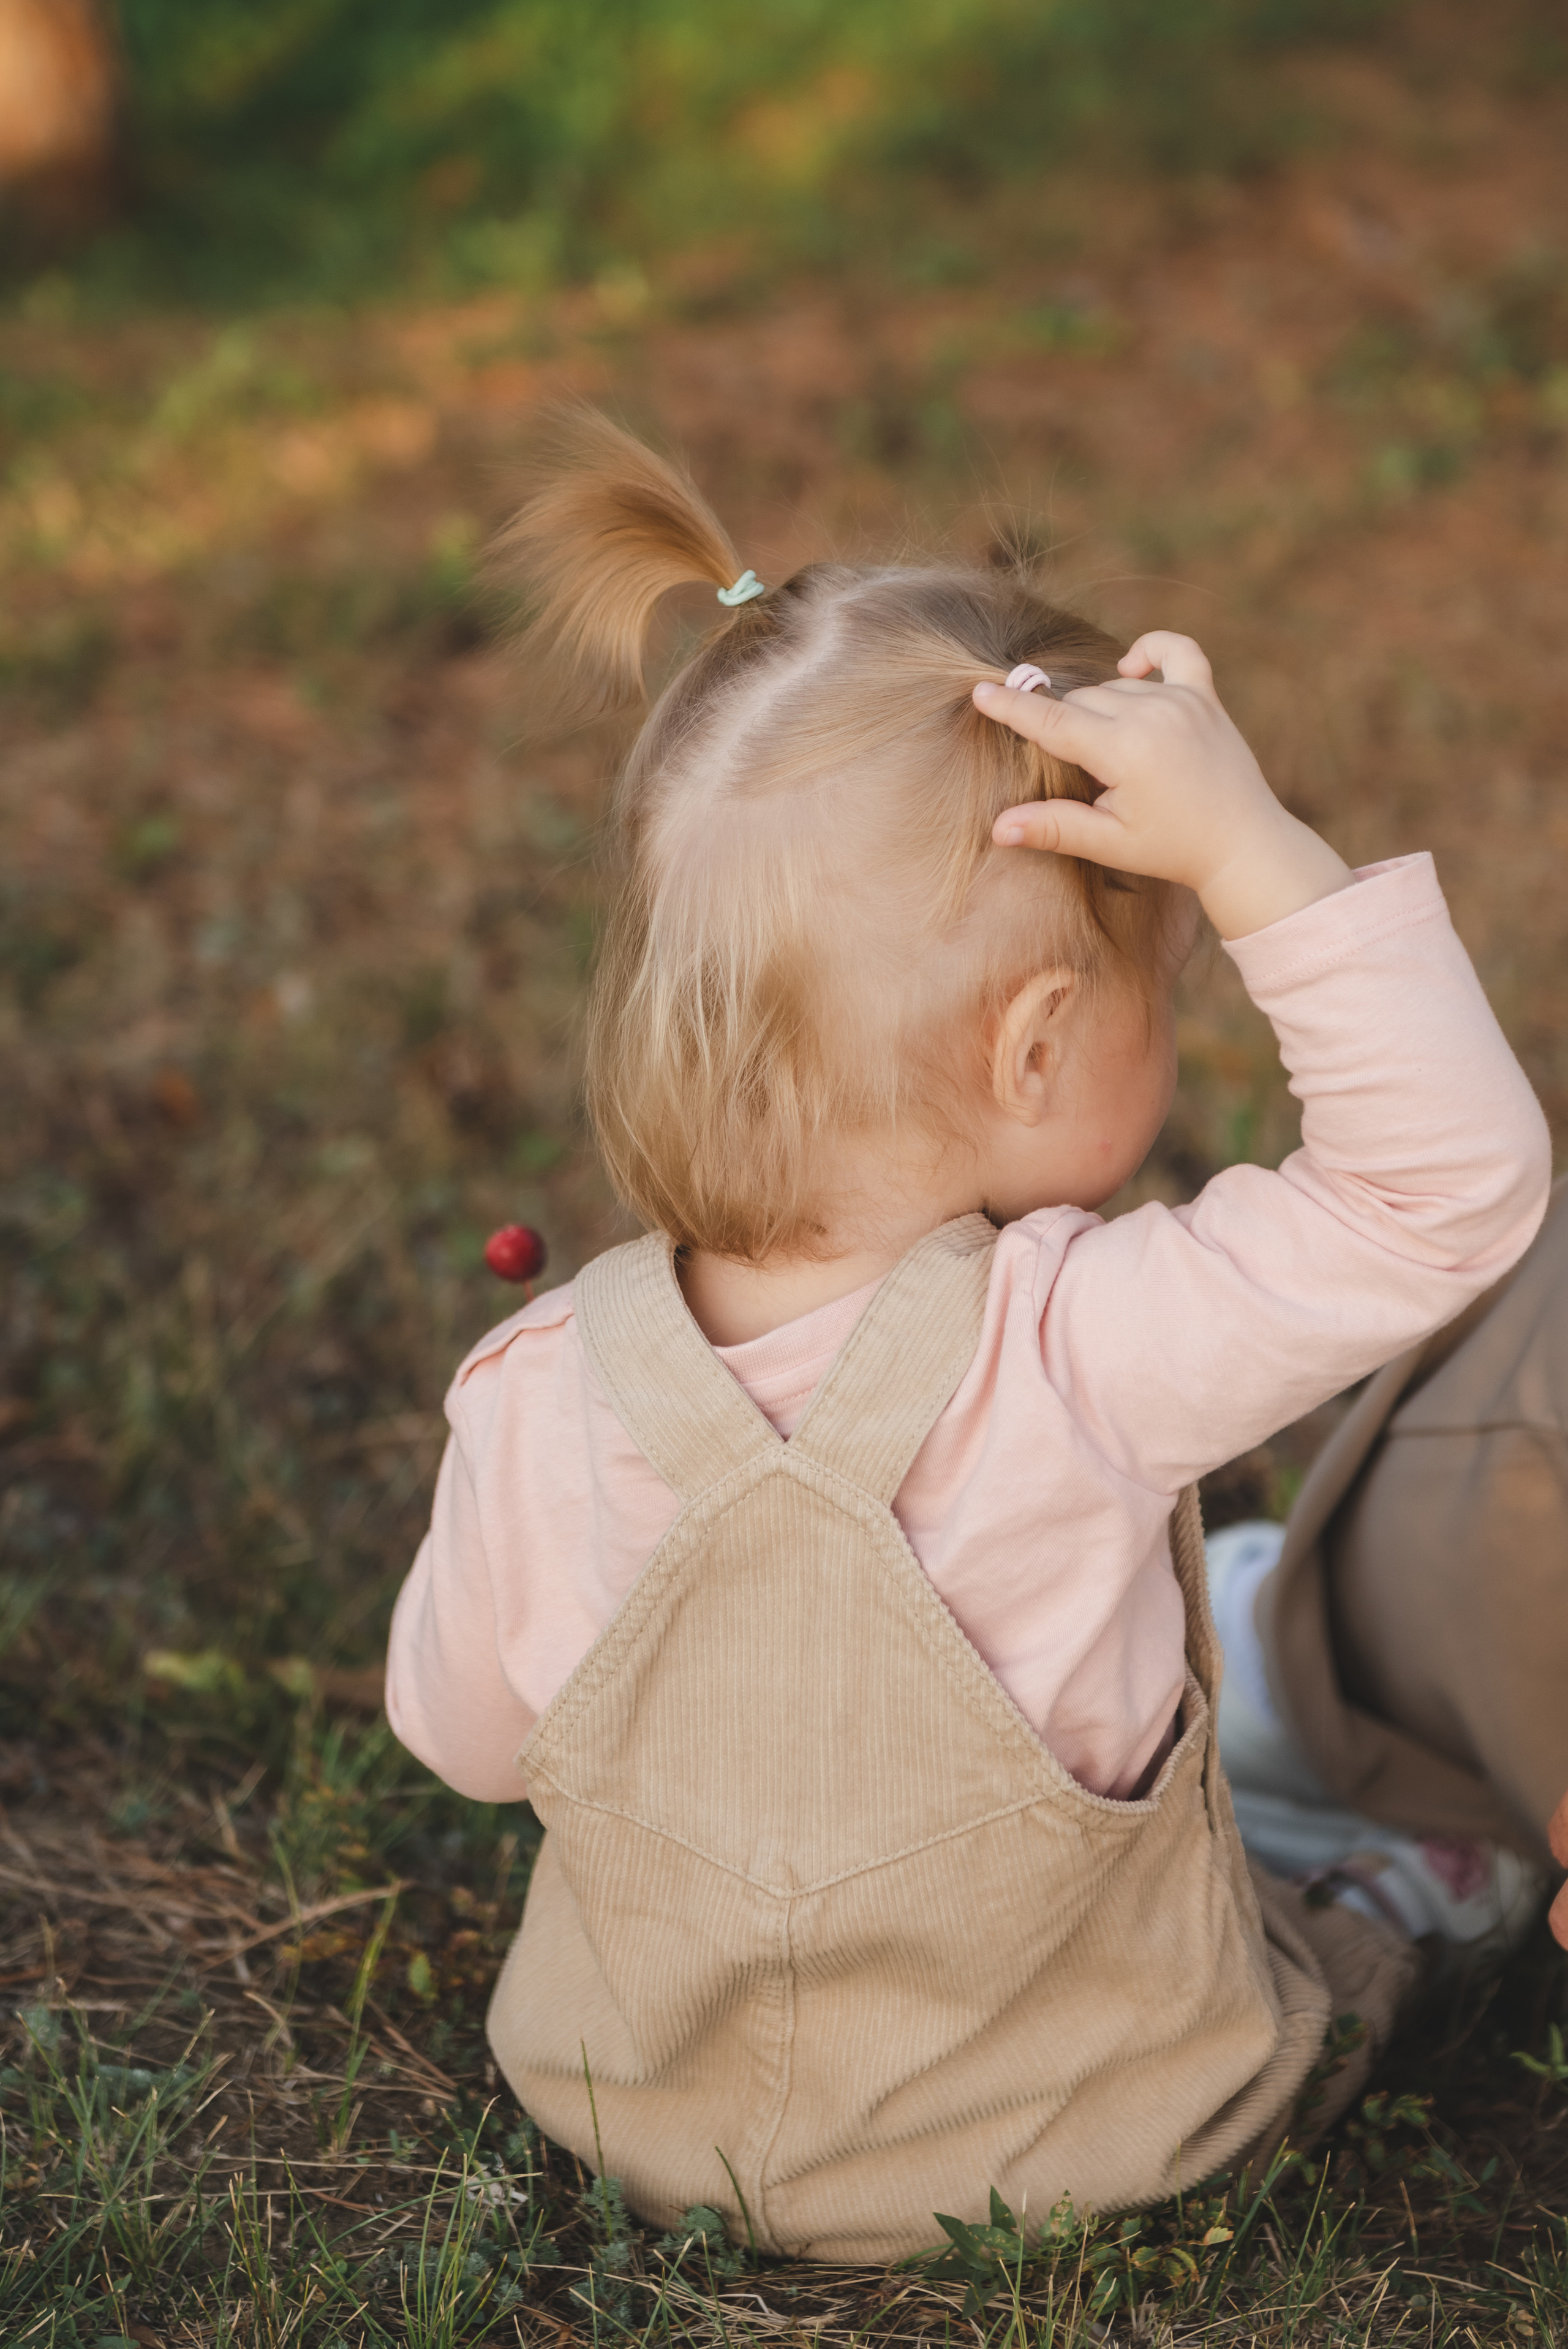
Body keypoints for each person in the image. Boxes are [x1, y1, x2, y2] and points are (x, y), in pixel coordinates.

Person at [386, 411, 1559, 2265]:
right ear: (1031, 1050)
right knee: (1354, 1929)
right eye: (1165, 978)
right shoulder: (1075, 1350)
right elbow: (1448, 1188)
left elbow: (460, 1737)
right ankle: (1401, 1878)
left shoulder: (539, 1388)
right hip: (1090, 2138)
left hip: (633, 2102)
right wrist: (1256, 851)